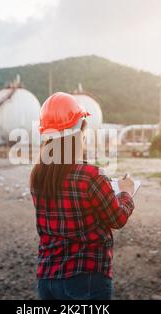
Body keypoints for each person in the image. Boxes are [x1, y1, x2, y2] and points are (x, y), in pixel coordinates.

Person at [30, 92, 136, 300]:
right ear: (78, 134)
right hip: (85, 277)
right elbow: (117, 218)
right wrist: (126, 192)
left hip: (47, 278)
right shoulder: (90, 176)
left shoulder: (37, 176)